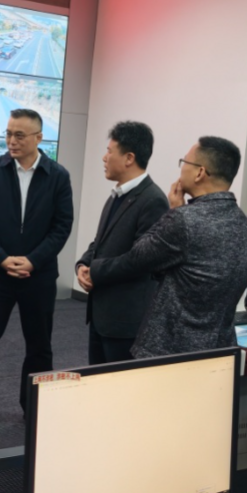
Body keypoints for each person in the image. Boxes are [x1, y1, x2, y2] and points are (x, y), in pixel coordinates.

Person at [85, 136, 247, 358]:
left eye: (184, 162)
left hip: (172, 350)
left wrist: (174, 211)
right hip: (219, 348)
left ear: (200, 172)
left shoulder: (183, 220)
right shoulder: (243, 222)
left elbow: (139, 256)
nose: (181, 169)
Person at [0, 109, 74, 410]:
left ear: (39, 138)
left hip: (38, 276)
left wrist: (33, 260)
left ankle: (34, 410)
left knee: (40, 348)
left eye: (20, 135)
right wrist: (2, 259)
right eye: (9, 134)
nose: (12, 141)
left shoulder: (58, 176)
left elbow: (62, 226)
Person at [76, 121, 168, 364]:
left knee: (119, 383)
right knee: (98, 381)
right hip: (101, 315)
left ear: (129, 158)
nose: (104, 157)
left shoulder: (153, 200)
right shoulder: (116, 195)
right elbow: (100, 241)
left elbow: (140, 260)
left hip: (125, 322)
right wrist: (83, 264)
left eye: (109, 151)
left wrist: (95, 270)